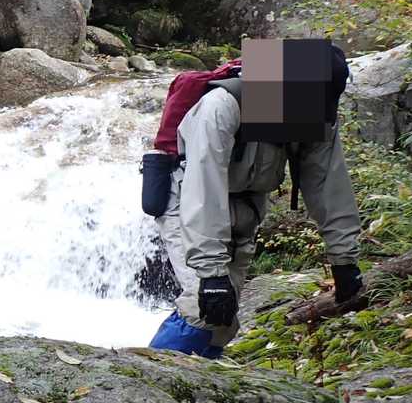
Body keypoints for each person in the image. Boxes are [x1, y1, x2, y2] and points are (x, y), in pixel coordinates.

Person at [151, 44, 362, 358]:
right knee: (203, 305)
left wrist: (345, 261)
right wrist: (211, 272)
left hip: (244, 210)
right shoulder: (221, 105)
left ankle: (195, 382)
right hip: (186, 203)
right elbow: (203, 189)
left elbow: (328, 185)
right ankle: (146, 378)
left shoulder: (312, 111)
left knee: (223, 320)